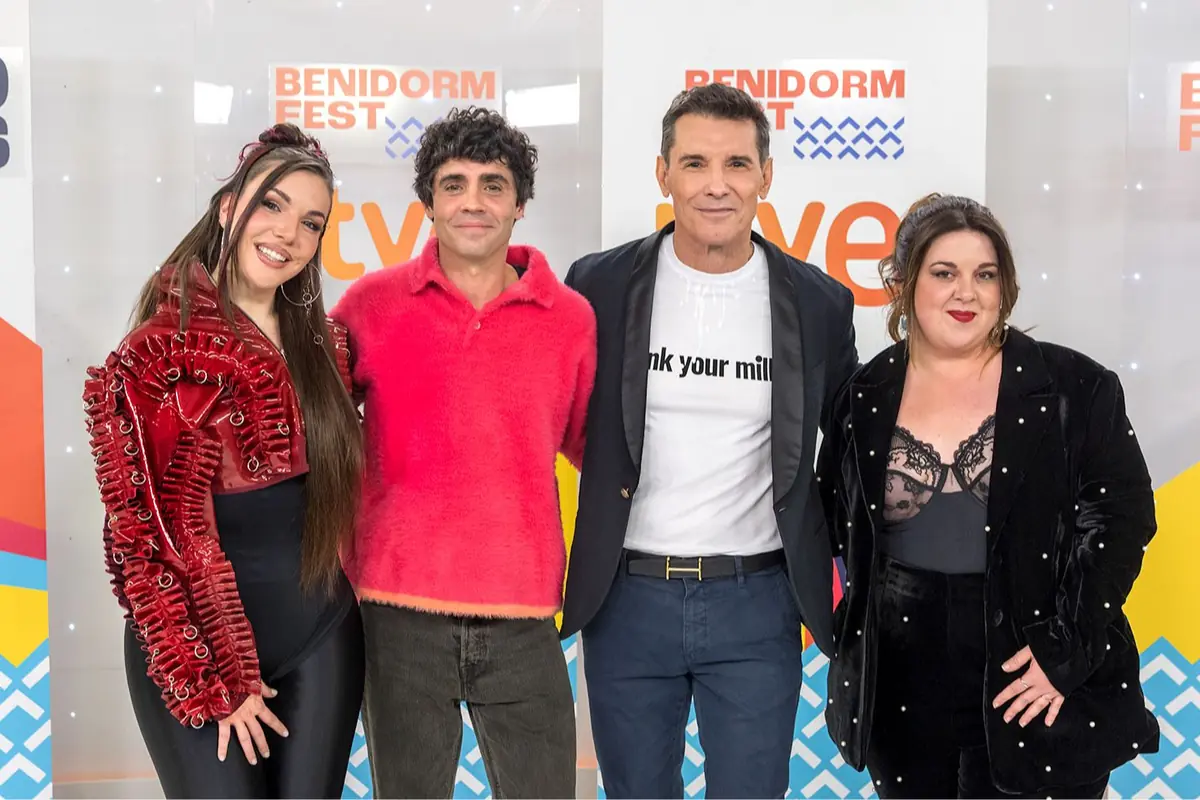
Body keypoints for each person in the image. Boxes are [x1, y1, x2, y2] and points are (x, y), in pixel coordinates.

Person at [560, 82, 859, 798]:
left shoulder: (818, 302)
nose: (716, 186)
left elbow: (849, 452)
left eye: (736, 164)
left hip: (757, 600)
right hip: (626, 599)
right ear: (663, 174)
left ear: (766, 175)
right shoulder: (596, 286)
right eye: (694, 164)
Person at [818, 193, 1160, 798]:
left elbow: (1122, 520)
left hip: (1036, 680)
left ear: (1006, 287)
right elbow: (834, 525)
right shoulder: (863, 396)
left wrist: (1066, 650)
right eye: (943, 273)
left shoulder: (1076, 387)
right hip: (903, 692)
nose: (965, 293)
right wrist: (853, 648)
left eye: (985, 274)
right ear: (902, 283)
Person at [82, 123, 365, 799]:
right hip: (194, 653)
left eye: (311, 221)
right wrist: (219, 681)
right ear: (230, 207)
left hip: (322, 636)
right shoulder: (155, 354)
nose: (289, 233)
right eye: (273, 204)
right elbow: (144, 544)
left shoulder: (329, 347)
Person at [329, 106, 596, 799]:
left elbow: (596, 452)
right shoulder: (370, 304)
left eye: (492, 184)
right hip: (396, 611)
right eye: (453, 183)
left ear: (520, 205)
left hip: (523, 611)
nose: (472, 201)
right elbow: (313, 430)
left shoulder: (570, 319)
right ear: (428, 202)